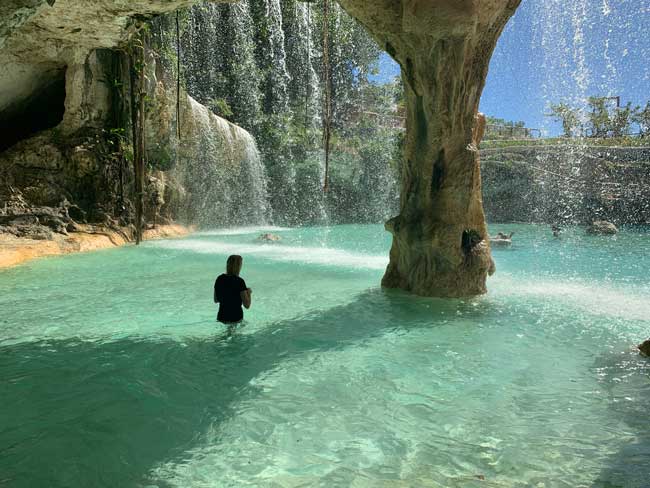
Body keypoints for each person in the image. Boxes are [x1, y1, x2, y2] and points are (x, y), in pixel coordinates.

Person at [214, 255, 252, 324]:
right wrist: (248, 293)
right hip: (235, 318)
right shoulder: (239, 281)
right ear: (238, 266)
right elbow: (247, 305)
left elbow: (216, 300)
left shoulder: (219, 279)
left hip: (221, 316)